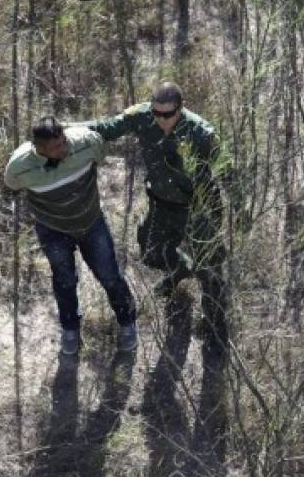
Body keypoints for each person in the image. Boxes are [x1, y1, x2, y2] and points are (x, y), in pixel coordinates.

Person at [84, 82, 229, 349]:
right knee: (151, 251)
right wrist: (66, 130)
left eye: (168, 114)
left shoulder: (201, 133)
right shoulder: (142, 116)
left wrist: (238, 214)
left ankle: (216, 332)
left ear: (180, 109)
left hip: (198, 208)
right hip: (162, 204)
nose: (161, 119)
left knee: (211, 272)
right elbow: (107, 128)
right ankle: (180, 269)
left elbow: (228, 170)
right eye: (156, 113)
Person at [4, 116, 137, 355]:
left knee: (109, 275)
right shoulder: (20, 166)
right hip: (52, 230)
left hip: (91, 223)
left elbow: (101, 152)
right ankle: (70, 330)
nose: (63, 148)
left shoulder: (86, 143)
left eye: (63, 141)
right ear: (39, 149)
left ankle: (128, 322)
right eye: (55, 147)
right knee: (64, 281)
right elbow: (12, 183)